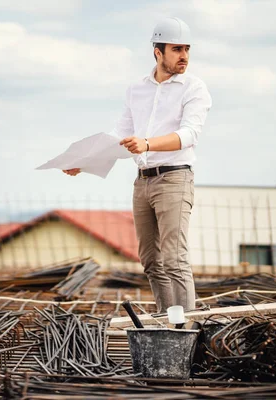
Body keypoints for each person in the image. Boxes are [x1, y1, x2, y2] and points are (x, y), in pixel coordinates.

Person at [63, 17, 212, 313]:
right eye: (176, 49)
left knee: (174, 259)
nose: (184, 56)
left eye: (187, 49)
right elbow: (120, 135)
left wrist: (147, 143)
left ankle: (186, 328)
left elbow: (189, 135)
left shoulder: (194, 88)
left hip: (175, 179)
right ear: (158, 52)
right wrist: (85, 160)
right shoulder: (136, 89)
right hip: (142, 181)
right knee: (151, 261)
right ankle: (166, 319)